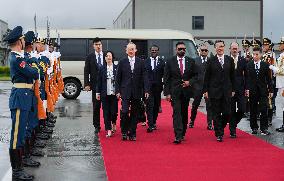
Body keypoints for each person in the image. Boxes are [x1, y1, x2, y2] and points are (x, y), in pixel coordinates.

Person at [5, 26, 37, 180]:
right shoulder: (17, 58)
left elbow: (33, 71)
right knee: (16, 135)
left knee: (21, 133)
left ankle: (20, 167)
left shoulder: (21, 57)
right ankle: (16, 171)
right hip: (20, 97)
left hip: (24, 96)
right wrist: (31, 65)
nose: (25, 42)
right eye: (23, 40)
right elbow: (33, 72)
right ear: (19, 41)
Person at [115, 42, 149, 141]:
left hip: (137, 91)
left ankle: (132, 133)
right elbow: (118, 78)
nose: (131, 51)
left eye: (132, 49)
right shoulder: (122, 62)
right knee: (125, 112)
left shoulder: (141, 62)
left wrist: (146, 90)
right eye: (129, 49)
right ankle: (124, 131)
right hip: (125, 91)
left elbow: (145, 77)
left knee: (135, 113)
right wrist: (117, 91)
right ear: (126, 51)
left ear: (136, 50)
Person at [163, 41, 196, 144]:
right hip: (175, 92)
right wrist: (167, 93)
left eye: (184, 49)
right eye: (180, 49)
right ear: (176, 50)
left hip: (186, 92)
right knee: (177, 113)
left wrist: (189, 82)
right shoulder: (170, 61)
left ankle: (183, 133)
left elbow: (196, 76)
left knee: (184, 113)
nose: (182, 50)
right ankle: (178, 135)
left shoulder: (191, 61)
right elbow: (166, 78)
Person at [203, 40, 235, 142]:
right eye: (218, 47)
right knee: (216, 113)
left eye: (221, 46)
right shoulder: (211, 60)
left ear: (224, 47)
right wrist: (205, 90)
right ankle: (219, 133)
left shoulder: (229, 60)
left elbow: (232, 76)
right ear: (215, 48)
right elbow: (206, 77)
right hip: (214, 91)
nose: (220, 48)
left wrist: (233, 89)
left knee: (227, 113)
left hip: (227, 91)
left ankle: (220, 126)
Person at [245, 46, 273, 135]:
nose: (255, 56)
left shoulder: (265, 65)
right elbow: (247, 79)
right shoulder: (249, 65)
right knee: (253, 110)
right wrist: (247, 89)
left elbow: (269, 79)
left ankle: (263, 128)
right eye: (254, 54)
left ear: (260, 54)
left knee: (264, 109)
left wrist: (271, 90)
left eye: (257, 54)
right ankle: (254, 127)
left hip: (263, 91)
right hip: (252, 91)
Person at [188, 44, 213, 130]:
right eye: (202, 50)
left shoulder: (211, 61)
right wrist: (193, 84)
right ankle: (192, 121)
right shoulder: (195, 61)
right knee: (195, 105)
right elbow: (191, 74)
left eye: (205, 50)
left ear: (208, 52)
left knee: (209, 106)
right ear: (199, 51)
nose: (204, 52)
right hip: (197, 87)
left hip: (208, 88)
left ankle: (210, 123)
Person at [84, 37, 105, 134]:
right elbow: (86, 71)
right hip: (95, 85)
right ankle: (96, 125)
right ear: (93, 46)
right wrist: (87, 84)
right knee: (96, 106)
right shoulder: (90, 57)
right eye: (96, 45)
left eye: (100, 44)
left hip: (106, 85)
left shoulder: (106, 55)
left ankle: (108, 125)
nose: (98, 46)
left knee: (106, 106)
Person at [96, 51, 118, 137]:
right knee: (106, 112)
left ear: (112, 57)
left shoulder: (117, 67)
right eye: (106, 56)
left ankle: (114, 122)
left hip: (114, 93)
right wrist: (98, 92)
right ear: (104, 58)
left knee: (113, 112)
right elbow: (99, 81)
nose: (108, 57)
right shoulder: (102, 68)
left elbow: (119, 81)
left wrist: (120, 92)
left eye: (110, 56)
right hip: (105, 93)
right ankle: (108, 129)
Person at [145, 45, 165, 132]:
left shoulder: (162, 62)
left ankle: (154, 122)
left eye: (155, 50)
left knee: (156, 106)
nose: (153, 52)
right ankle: (150, 124)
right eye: (152, 50)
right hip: (148, 88)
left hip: (158, 88)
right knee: (150, 105)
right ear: (150, 51)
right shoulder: (145, 62)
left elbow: (165, 74)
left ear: (158, 51)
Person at [229, 42, 247, 138]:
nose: (235, 50)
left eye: (236, 48)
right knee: (231, 111)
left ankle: (233, 123)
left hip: (241, 89)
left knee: (242, 109)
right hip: (230, 90)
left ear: (238, 49)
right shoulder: (226, 60)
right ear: (230, 49)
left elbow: (247, 75)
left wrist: (247, 88)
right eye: (233, 48)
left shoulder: (242, 60)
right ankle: (232, 131)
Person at [270, 38, 284, 132]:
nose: (279, 45)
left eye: (281, 44)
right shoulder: (282, 55)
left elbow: (282, 70)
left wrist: (272, 68)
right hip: (280, 83)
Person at [262, 38, 277, 126]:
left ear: (269, 46)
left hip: (270, 79)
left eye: (266, 45)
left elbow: (273, 68)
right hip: (262, 79)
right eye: (263, 45)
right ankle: (264, 116)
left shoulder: (272, 55)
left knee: (271, 99)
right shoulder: (263, 55)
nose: (264, 46)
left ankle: (269, 118)